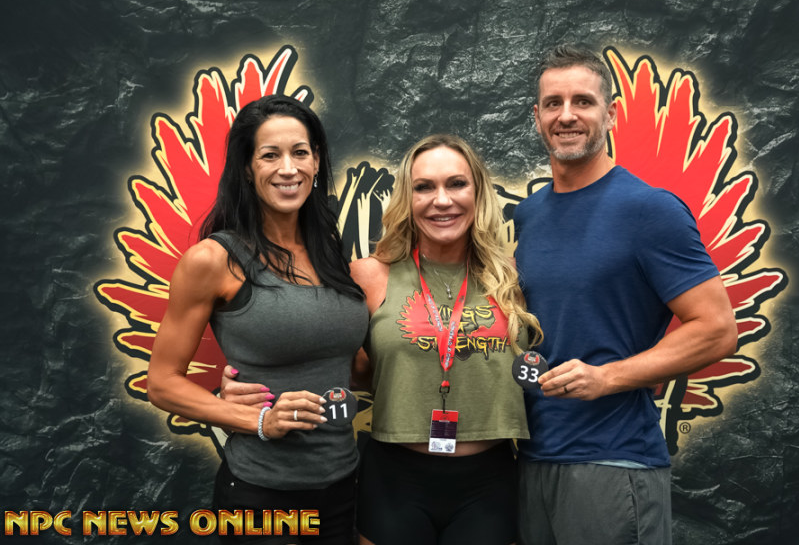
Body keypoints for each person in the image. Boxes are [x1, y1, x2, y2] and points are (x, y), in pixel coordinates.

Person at [223, 134, 543, 545]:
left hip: (490, 481)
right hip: (395, 480)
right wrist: (251, 386)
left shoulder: (513, 277)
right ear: (407, 199)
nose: (441, 200)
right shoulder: (368, 275)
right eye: (424, 187)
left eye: (456, 184)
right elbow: (323, 353)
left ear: (478, 192)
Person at [512, 42, 739, 545]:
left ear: (611, 114)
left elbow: (717, 329)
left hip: (612, 463)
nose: (566, 115)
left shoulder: (649, 210)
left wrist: (607, 377)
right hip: (532, 458)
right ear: (537, 116)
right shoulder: (529, 215)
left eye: (583, 101)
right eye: (553, 103)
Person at [147, 94, 369, 544]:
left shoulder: (328, 249)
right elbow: (162, 383)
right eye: (270, 155)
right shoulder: (213, 260)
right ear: (247, 169)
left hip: (342, 487)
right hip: (260, 497)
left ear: (316, 161)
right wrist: (254, 419)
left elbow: (348, 364)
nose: (288, 168)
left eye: (300, 152)